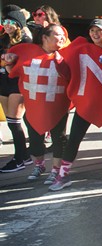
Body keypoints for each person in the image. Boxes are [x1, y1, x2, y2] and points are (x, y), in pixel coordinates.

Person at [52, 19, 102, 189]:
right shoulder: (80, 48)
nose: (95, 34)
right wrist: (57, 61)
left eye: (99, 30)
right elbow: (66, 70)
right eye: (92, 31)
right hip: (86, 102)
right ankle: (63, 174)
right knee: (74, 139)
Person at [5, 25, 71, 184]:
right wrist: (7, 63)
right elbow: (11, 70)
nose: (62, 38)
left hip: (58, 106)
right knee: (35, 139)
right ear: (45, 37)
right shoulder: (27, 52)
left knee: (58, 138)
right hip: (34, 106)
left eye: (64, 35)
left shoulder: (68, 55)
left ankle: (56, 169)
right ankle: (39, 165)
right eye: (57, 35)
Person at [0, 8, 31, 173]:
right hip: (3, 82)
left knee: (14, 121)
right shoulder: (3, 39)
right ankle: (24, 155)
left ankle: (19, 160)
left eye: (11, 22)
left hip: (18, 84)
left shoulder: (25, 40)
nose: (7, 25)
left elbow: (27, 61)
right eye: (5, 22)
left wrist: (8, 61)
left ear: (19, 24)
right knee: (11, 122)